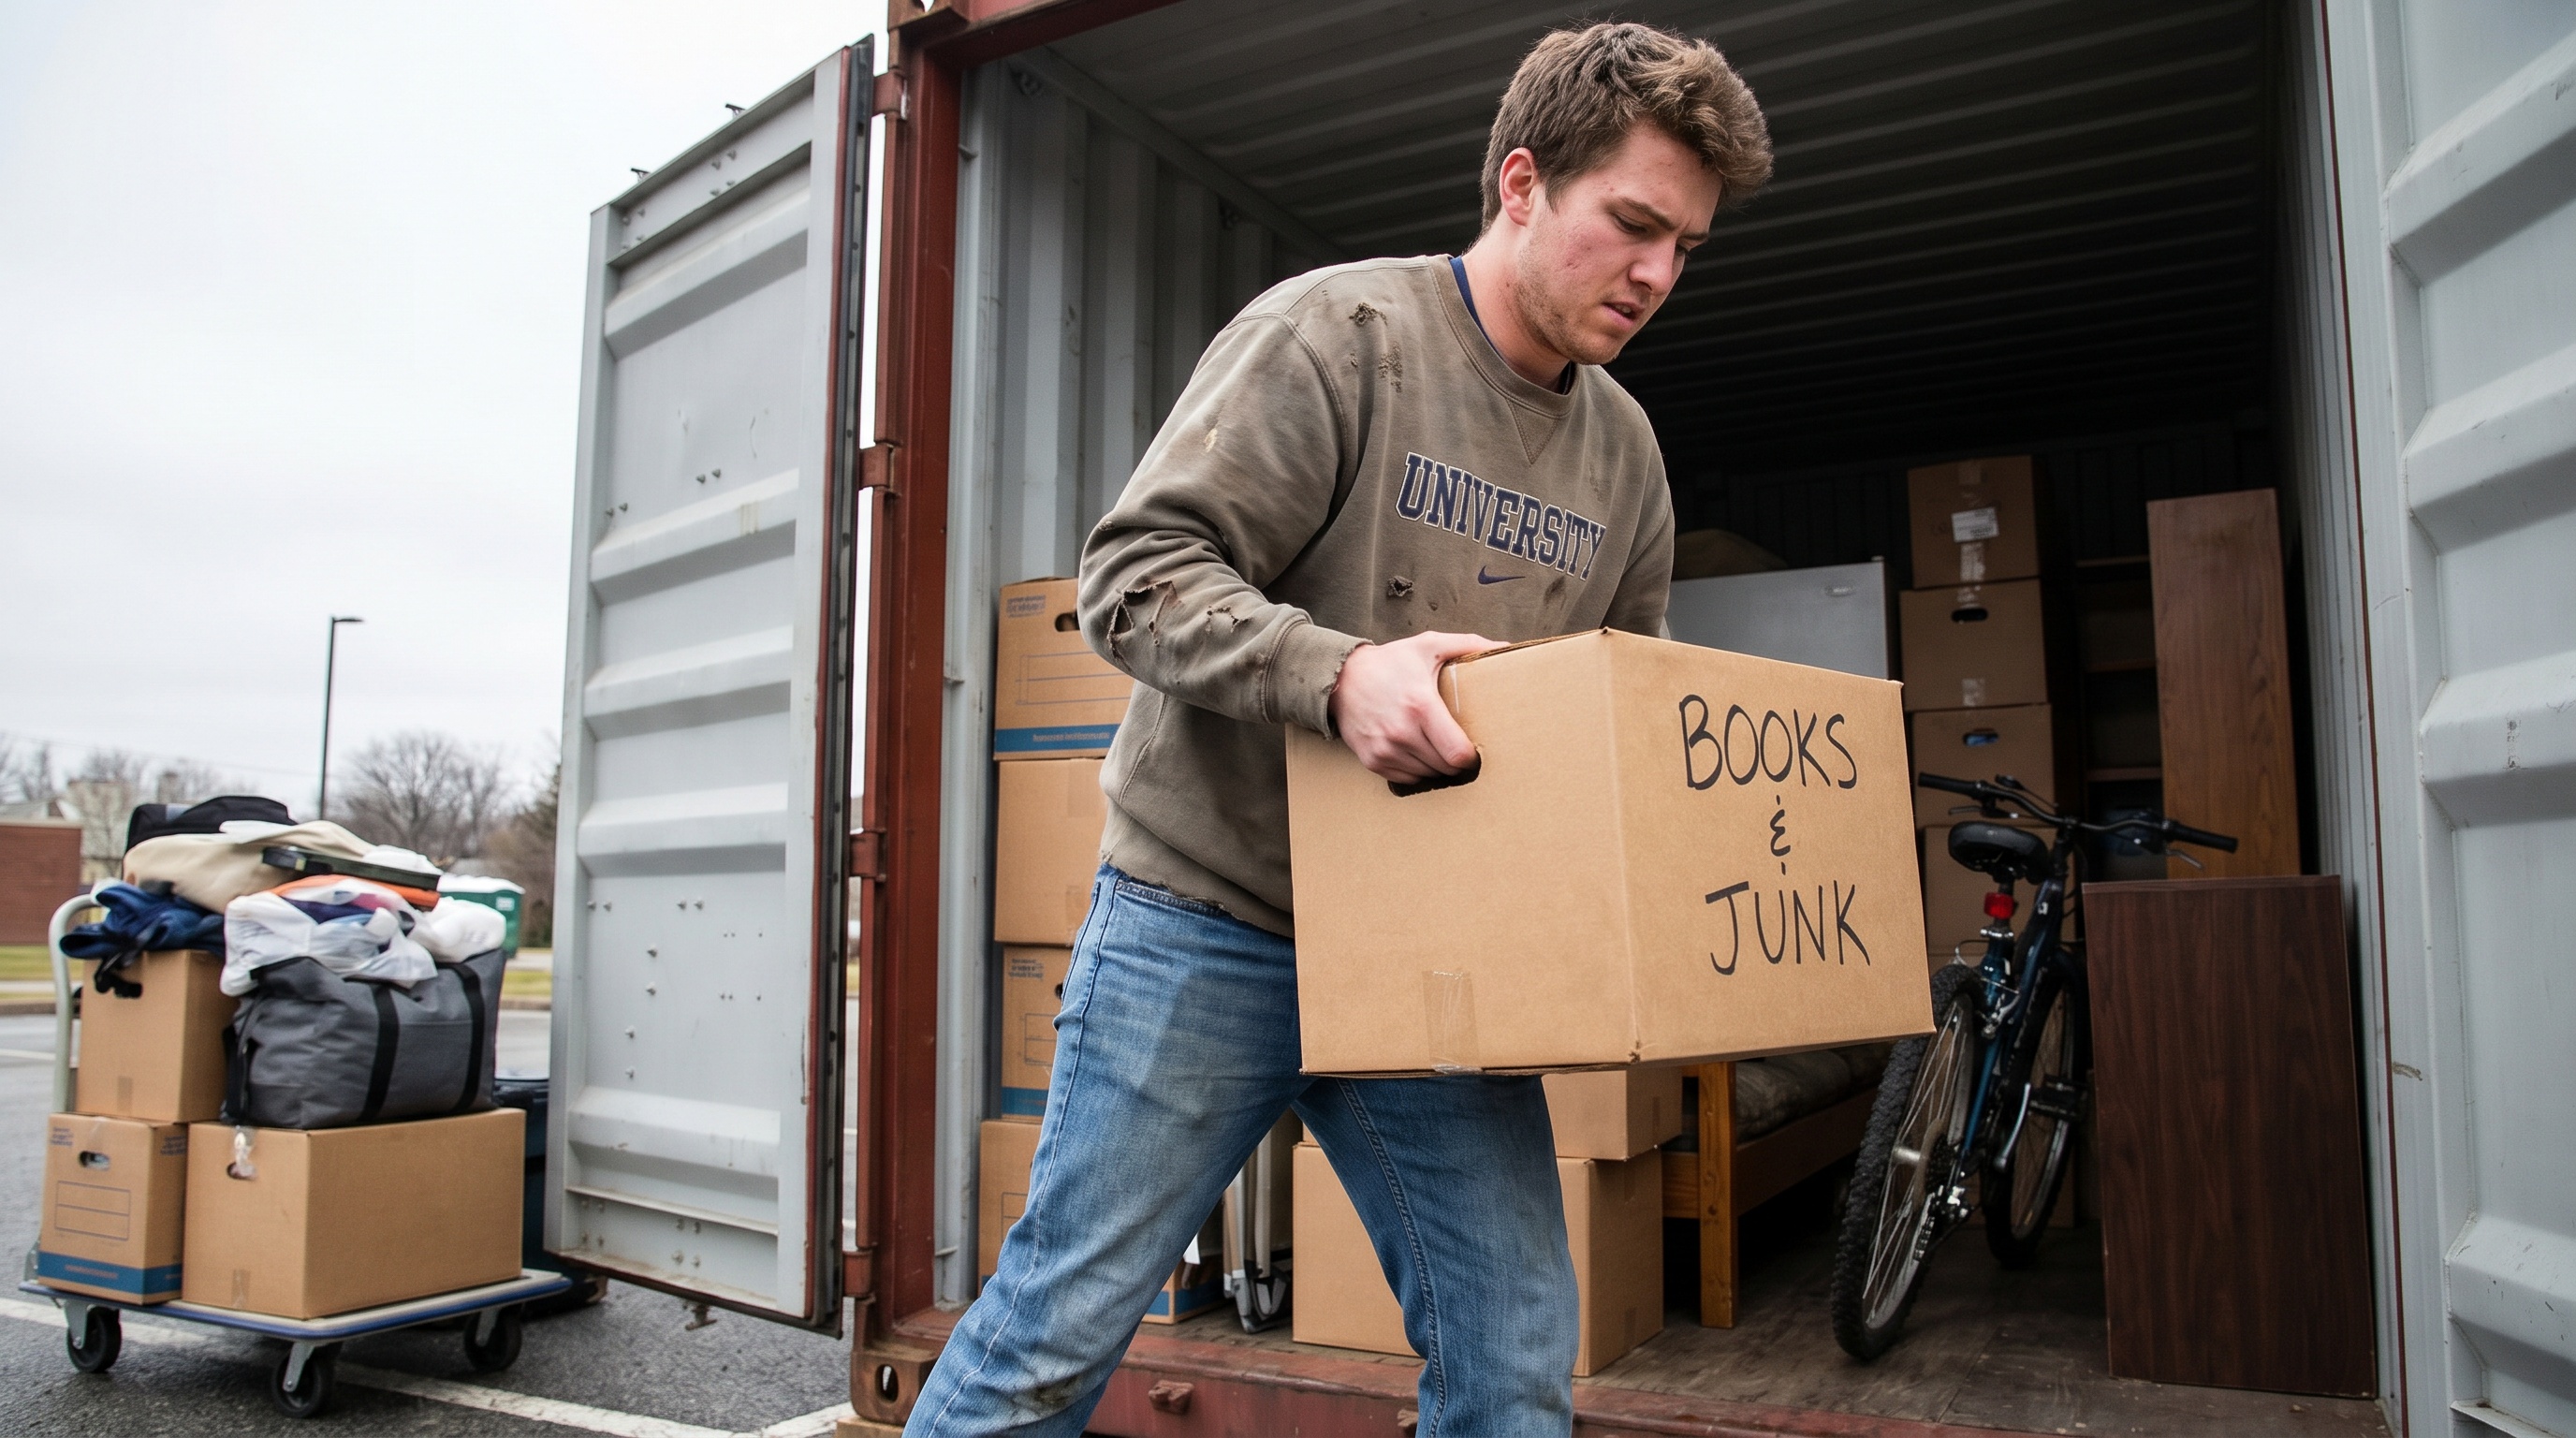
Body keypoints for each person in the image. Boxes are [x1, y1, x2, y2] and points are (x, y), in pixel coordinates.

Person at [908, 21, 1771, 1436]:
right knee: (1051, 1340)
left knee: (1512, 1361)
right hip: (1212, 916)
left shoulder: (1627, 456)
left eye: (1684, 247)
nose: (1656, 276)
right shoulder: (1339, 337)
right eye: (1631, 225)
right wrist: (1338, 675)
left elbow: (1617, 717)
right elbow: (1132, 581)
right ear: (1521, 183)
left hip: (1431, 961)